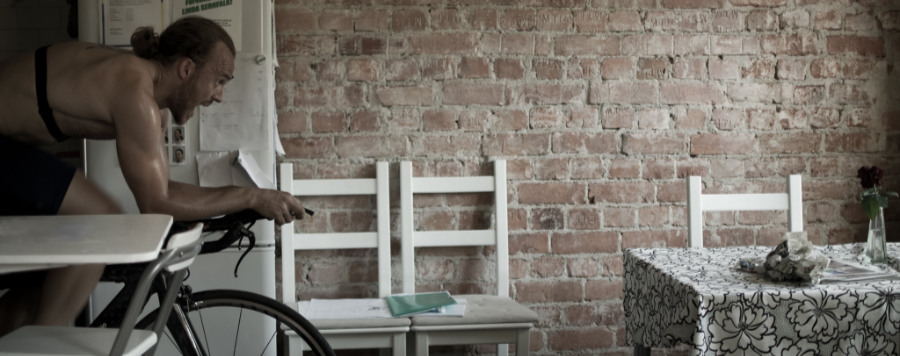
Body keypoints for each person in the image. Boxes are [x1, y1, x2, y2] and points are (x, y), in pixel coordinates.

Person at [0, 16, 306, 335]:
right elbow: (157, 203)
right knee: (100, 219)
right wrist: (253, 196)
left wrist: (250, 199)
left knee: (42, 289)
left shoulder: (151, 101)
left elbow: (165, 191)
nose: (219, 97)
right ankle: (48, 346)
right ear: (187, 69)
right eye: (219, 81)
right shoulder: (135, 94)